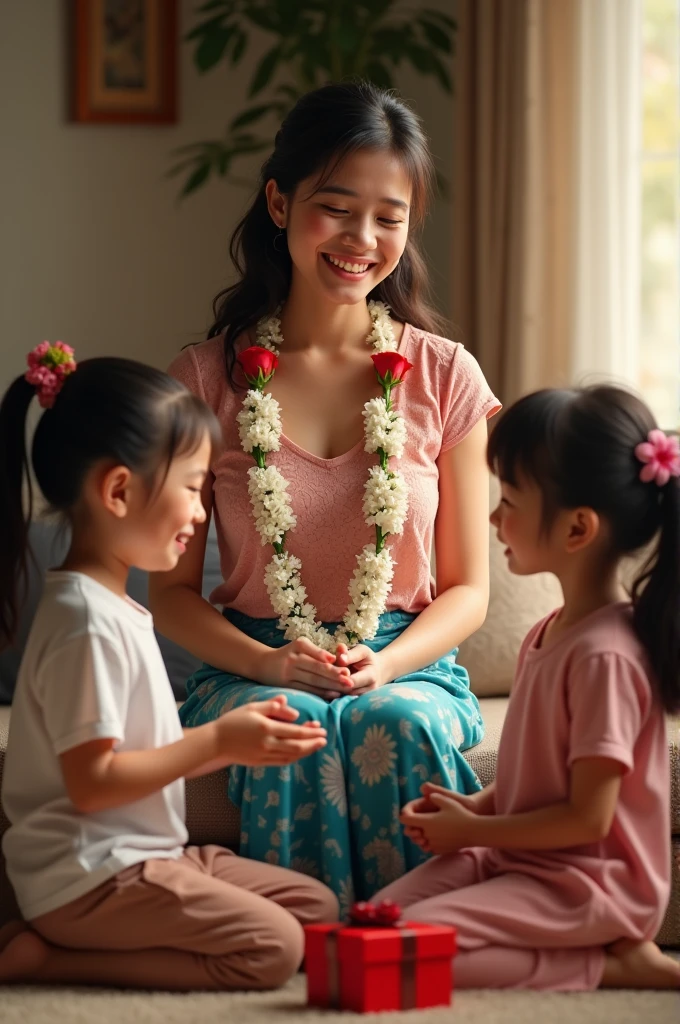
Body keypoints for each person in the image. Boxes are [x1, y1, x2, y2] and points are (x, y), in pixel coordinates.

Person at [150, 80, 501, 908]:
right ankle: (303, 948)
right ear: (279, 201)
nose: (362, 239)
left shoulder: (446, 376)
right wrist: (271, 661)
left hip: (406, 659)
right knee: (287, 722)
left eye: (390, 215)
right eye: (337, 207)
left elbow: (470, 591)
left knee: (397, 723)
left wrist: (385, 664)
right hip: (253, 659)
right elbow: (169, 592)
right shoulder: (204, 380)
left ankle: (412, 942)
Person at [0, 344, 337, 990]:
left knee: (315, 909)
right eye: (191, 488)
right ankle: (46, 959)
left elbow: (138, 755)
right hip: (90, 878)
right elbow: (94, 784)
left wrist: (239, 737)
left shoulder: (112, 606)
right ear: (120, 491)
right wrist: (216, 739)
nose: (202, 512)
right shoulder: (84, 625)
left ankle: (121, 914)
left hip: (141, 856)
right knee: (272, 950)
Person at [374, 385, 680, 990]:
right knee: (379, 925)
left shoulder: (606, 658)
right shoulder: (549, 632)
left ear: (577, 529)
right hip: (527, 859)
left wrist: (474, 834)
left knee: (404, 957)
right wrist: (473, 810)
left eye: (509, 500)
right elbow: (537, 785)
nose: (494, 519)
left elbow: (589, 820)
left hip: (590, 881)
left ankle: (609, 964)